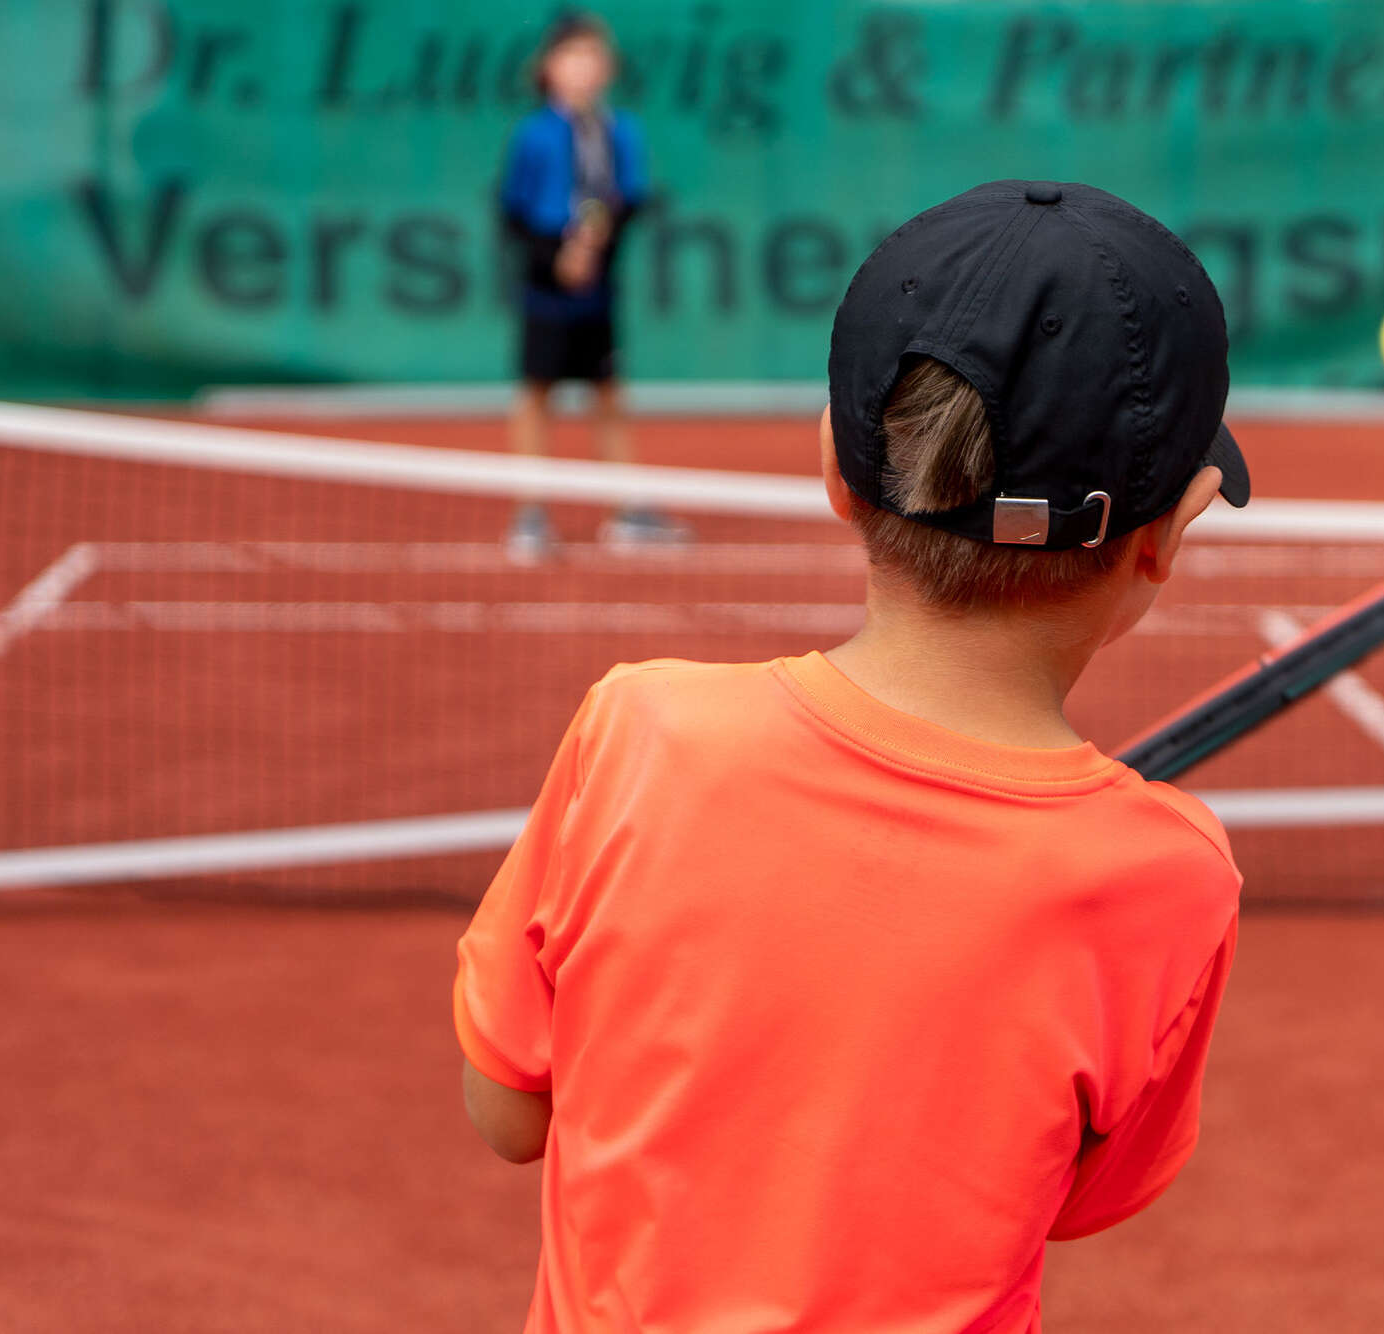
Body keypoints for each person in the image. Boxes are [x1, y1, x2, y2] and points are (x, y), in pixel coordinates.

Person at [455, 180, 1252, 1332]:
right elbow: (1076, 1198)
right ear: (1168, 536)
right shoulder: (1169, 876)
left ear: (835, 466)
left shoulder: (636, 733)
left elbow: (509, 1109)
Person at [498, 14, 678, 559]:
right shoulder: (533, 135)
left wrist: (595, 247)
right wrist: (558, 259)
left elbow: (626, 201)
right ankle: (530, 514)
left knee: (608, 393)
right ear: (548, 68)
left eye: (594, 57)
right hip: (545, 288)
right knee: (536, 392)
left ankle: (625, 511)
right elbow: (512, 213)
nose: (585, 68)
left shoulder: (620, 131)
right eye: (573, 57)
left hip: (598, 289)